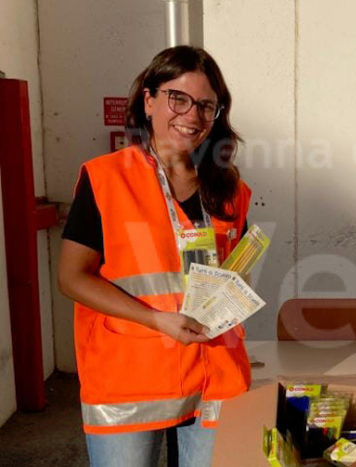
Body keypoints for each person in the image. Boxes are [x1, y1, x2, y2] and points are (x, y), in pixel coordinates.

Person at [58, 46, 251, 466]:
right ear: (148, 101)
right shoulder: (106, 178)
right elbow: (72, 278)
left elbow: (237, 273)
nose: (192, 116)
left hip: (214, 376)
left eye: (206, 105)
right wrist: (156, 319)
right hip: (130, 380)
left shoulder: (229, 189)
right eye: (178, 99)